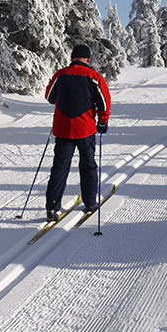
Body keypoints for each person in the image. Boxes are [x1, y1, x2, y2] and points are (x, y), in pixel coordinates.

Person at [43, 44, 111, 222]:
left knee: (60, 167)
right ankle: (90, 202)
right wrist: (103, 122)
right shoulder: (94, 77)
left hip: (63, 129)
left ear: (72, 58)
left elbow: (50, 97)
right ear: (88, 59)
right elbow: (104, 102)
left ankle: (52, 207)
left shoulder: (60, 74)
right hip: (85, 129)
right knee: (88, 165)